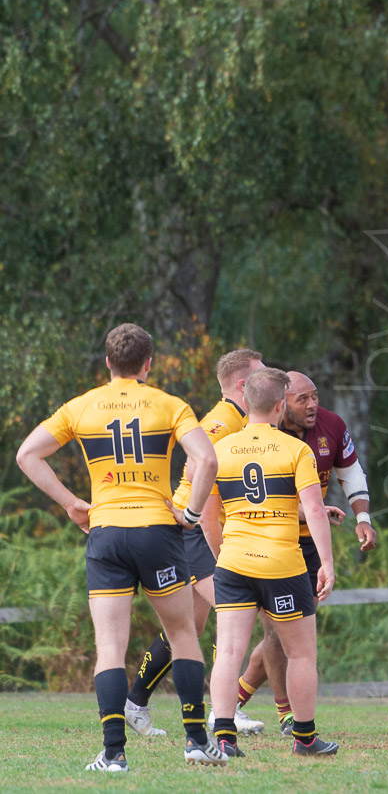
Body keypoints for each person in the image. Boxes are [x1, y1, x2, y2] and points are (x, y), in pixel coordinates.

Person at [15, 323, 226, 770]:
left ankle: (114, 754)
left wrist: (73, 503)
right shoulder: (170, 404)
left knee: (109, 647)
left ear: (108, 362)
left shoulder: (81, 405)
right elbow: (207, 458)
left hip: (106, 532)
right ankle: (195, 742)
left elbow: (26, 455)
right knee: (183, 633)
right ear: (148, 364)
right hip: (157, 531)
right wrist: (190, 515)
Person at [123, 348, 264, 738]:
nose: (268, 381)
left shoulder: (241, 418)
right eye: (261, 375)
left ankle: (135, 703)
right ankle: (227, 711)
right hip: (194, 527)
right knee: (234, 608)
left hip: (195, 526)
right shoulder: (223, 419)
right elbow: (197, 461)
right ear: (242, 384)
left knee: (190, 624)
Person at [232, 371, 377, 735]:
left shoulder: (331, 425)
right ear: (281, 403)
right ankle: (286, 715)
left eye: (315, 396)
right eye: (302, 399)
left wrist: (362, 517)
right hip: (270, 538)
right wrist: (312, 510)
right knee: (279, 632)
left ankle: (230, 703)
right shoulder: (263, 433)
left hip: (310, 541)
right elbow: (264, 496)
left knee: (288, 632)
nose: (312, 405)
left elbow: (351, 473)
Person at [207, 368, 338, 758]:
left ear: (245, 402)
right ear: (281, 406)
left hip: (234, 563)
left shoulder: (220, 450)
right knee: (301, 654)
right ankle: (305, 738)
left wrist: (221, 558)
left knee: (228, 651)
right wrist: (326, 561)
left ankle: (225, 738)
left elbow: (209, 518)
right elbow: (313, 509)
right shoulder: (296, 450)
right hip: (282, 564)